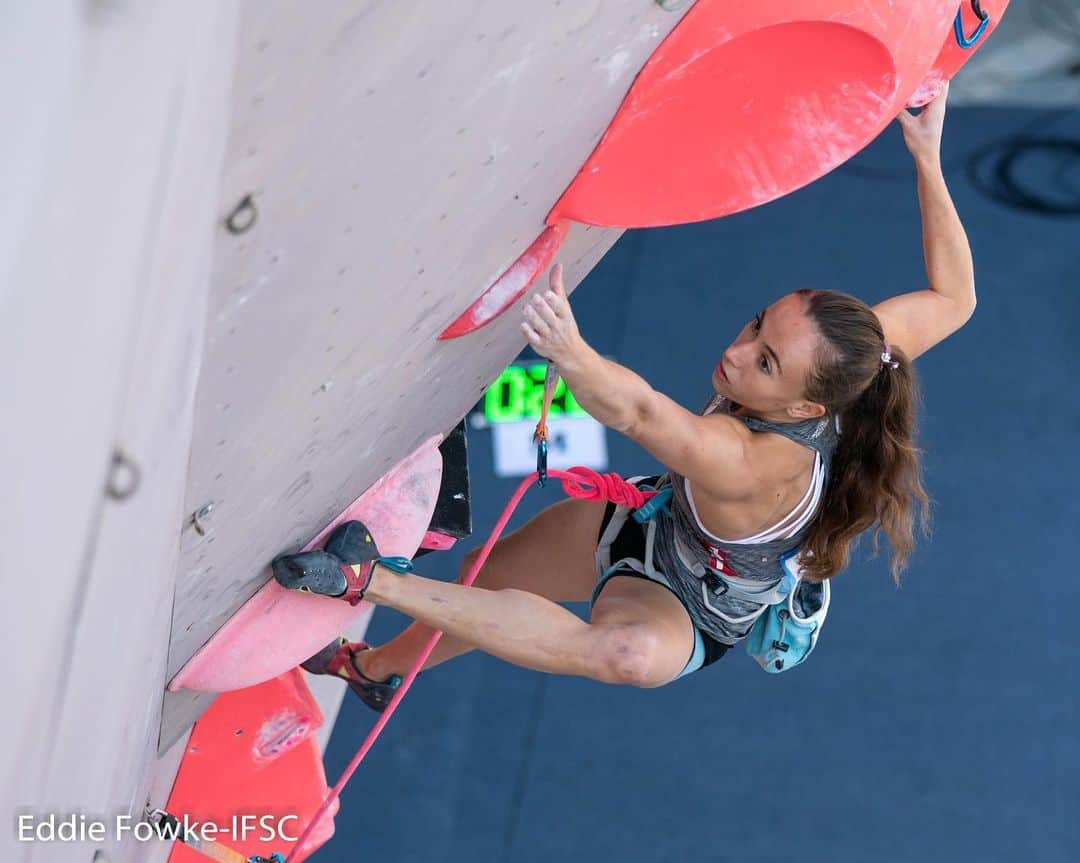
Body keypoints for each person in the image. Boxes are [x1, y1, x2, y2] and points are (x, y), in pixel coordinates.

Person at [273, 87, 976, 711]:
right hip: (654, 516)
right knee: (483, 576)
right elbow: (954, 298)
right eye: (757, 323)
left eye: (764, 362)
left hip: (686, 609)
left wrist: (573, 353)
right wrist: (927, 157)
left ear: (803, 409)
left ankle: (368, 582)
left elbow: (641, 412)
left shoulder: (748, 459)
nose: (735, 352)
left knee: (626, 657)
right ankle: (377, 669)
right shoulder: (853, 362)